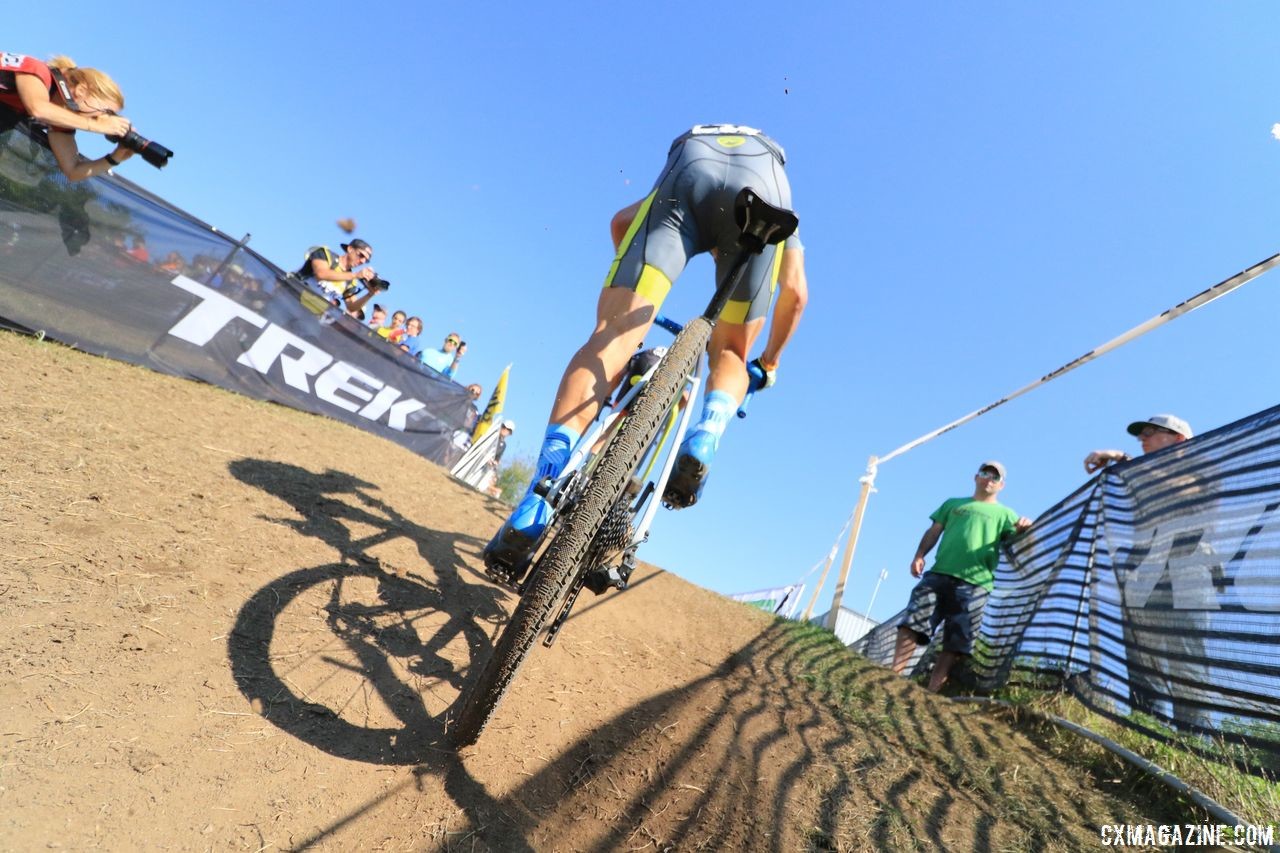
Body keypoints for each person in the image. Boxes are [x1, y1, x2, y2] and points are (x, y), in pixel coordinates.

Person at [484, 124, 807, 578]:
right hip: (768, 182)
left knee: (614, 336)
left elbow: (621, 222)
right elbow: (795, 292)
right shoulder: (784, 202)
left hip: (692, 157)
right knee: (731, 351)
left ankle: (541, 491)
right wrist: (768, 363)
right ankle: (708, 431)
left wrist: (634, 300)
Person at [1085, 414, 1214, 728]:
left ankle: (1192, 750)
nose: (1143, 439)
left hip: (1187, 571)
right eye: (1141, 434)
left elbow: (1175, 489)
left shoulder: (1196, 472)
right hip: (1144, 575)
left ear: (1178, 439)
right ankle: (1147, 736)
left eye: (1151, 433)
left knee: (1188, 667)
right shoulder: (1141, 475)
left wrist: (1123, 458)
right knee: (1144, 664)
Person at [891, 462, 1032, 692]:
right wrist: (919, 555)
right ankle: (894, 675)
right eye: (985, 473)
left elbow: (1020, 541)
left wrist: (1026, 529)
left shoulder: (1007, 514)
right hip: (939, 573)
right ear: (976, 477)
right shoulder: (953, 504)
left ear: (1001, 485)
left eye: (995, 477)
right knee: (914, 620)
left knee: (957, 639)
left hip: (976, 584)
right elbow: (934, 531)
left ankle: (932, 691)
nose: (989, 479)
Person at [0, 53, 135, 182]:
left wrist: (116, 157)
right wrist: (96, 125)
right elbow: (38, 108)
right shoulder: (36, 70)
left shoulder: (58, 120)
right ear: (81, 91)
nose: (103, 118)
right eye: (106, 111)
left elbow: (73, 171)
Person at [296, 238, 382, 313]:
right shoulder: (326, 254)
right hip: (293, 298)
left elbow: (351, 307)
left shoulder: (350, 280)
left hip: (312, 315)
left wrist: (370, 294)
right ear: (350, 249)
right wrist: (355, 275)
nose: (362, 261)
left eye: (366, 260)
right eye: (361, 255)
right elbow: (321, 274)